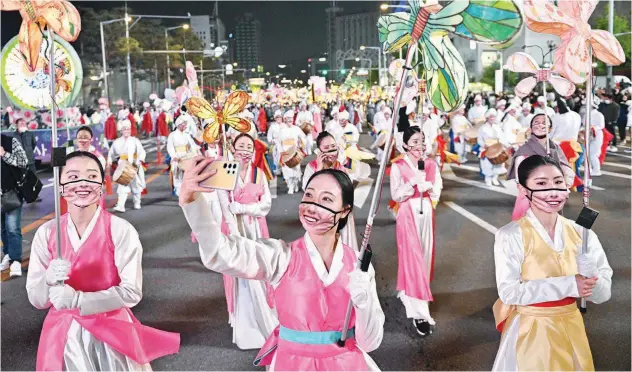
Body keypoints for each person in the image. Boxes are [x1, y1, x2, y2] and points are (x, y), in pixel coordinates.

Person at [180, 160, 384, 371]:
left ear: (344, 211)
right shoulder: (281, 257)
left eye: (326, 199)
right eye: (309, 195)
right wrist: (192, 201)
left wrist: (364, 302)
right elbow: (220, 253)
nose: (313, 206)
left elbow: (370, 342)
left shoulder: (359, 267)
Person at [26, 151, 180, 370]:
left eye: (91, 176)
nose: (82, 183)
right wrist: (48, 280)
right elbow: (37, 299)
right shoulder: (47, 233)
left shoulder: (120, 230)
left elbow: (131, 292)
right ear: (59, 185)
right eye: (72, 177)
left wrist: (78, 300)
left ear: (101, 182)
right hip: (62, 337)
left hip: (112, 335)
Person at [492, 155, 612, 371]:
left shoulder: (582, 234)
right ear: (522, 189)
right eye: (541, 184)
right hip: (530, 332)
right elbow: (509, 293)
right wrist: (569, 284)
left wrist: (591, 276)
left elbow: (603, 295)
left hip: (572, 329)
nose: (553, 191)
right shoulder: (510, 235)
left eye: (558, 182)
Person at [213, 133, 279, 350]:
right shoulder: (226, 171)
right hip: (235, 231)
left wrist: (243, 208)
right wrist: (234, 233)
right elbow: (223, 203)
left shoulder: (259, 174)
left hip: (256, 229)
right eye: (240, 145)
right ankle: (246, 329)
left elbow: (266, 204)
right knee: (241, 276)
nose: (245, 150)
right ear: (232, 148)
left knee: (259, 272)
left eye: (249, 146)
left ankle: (266, 322)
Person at [390, 126, 442, 336]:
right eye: (414, 142)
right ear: (405, 145)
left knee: (426, 258)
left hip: (426, 213)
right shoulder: (398, 166)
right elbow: (396, 194)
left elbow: (437, 188)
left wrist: (428, 185)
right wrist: (412, 183)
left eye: (422, 140)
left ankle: (410, 292)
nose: (419, 145)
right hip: (407, 214)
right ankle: (420, 314)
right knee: (413, 261)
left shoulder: (430, 164)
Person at [507, 114, 575, 221]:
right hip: (530, 197)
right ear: (530, 128)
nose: (540, 125)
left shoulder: (554, 148)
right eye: (536, 123)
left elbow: (565, 167)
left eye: (544, 123)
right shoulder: (523, 150)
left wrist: (566, 184)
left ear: (550, 129)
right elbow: (519, 179)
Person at [303, 131, 360, 251]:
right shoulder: (311, 167)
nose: (331, 151)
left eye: (333, 146)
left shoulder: (344, 163)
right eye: (326, 148)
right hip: (321, 214)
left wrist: (345, 164)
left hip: (341, 212)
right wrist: (319, 169)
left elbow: (352, 184)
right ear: (319, 151)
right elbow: (308, 192)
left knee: (344, 244)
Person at [1, 133, 28, 277]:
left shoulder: (11, 142)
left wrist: (4, 154)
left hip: (12, 193)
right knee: (3, 229)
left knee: (12, 228)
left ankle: (16, 260)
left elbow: (24, 161)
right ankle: (8, 254)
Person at [107, 120, 147, 212]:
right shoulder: (117, 142)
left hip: (134, 164)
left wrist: (140, 159)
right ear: (121, 131)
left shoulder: (135, 140)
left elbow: (141, 151)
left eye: (128, 129)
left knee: (136, 185)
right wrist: (109, 159)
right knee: (122, 186)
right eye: (124, 129)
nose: (126, 131)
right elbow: (111, 153)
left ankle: (137, 202)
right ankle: (121, 205)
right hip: (123, 166)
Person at [167, 116, 199, 196]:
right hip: (177, 158)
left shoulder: (186, 135)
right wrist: (174, 156)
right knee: (178, 177)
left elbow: (192, 145)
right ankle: (179, 192)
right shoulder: (172, 135)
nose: (185, 126)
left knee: (189, 176)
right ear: (179, 124)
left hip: (187, 157)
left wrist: (195, 152)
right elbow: (170, 147)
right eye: (184, 124)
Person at [278, 110, 307, 194]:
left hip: (295, 152)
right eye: (288, 118)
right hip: (285, 152)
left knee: (296, 169)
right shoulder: (282, 130)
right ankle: (290, 186)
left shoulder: (296, 128)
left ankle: (295, 184)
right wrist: (281, 151)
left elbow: (303, 137)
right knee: (287, 170)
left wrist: (301, 143)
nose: (290, 120)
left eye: (291, 118)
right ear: (285, 119)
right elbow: (278, 142)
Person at [478, 109, 508, 186]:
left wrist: (502, 144)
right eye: (491, 117)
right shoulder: (482, 128)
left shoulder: (497, 127)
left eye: (494, 117)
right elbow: (479, 139)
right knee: (487, 165)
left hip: (497, 149)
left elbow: (502, 137)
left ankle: (495, 178)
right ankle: (488, 179)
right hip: (486, 149)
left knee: (498, 164)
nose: (492, 118)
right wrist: (484, 145)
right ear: (487, 118)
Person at [267, 110, 283, 176]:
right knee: (276, 158)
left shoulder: (284, 125)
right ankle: (277, 170)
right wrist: (272, 141)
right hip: (276, 144)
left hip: (284, 144)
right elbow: (269, 136)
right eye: (277, 117)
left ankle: (284, 170)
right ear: (275, 118)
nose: (279, 118)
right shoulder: (272, 126)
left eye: (280, 117)